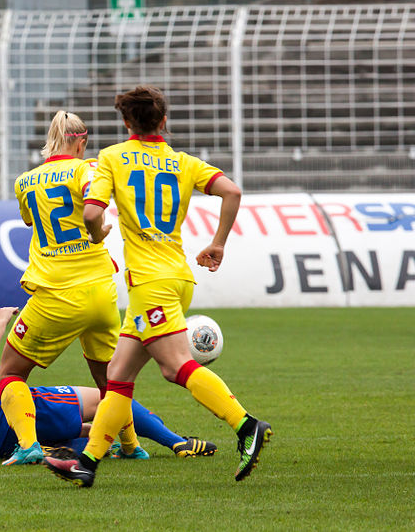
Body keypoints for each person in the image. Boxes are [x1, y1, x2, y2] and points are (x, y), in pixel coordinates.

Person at [45, 85, 272, 487]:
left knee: (175, 367)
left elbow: (93, 211)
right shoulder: (182, 162)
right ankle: (88, 462)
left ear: (126, 122)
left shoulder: (113, 158)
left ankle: (246, 425)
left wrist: (97, 233)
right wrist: (218, 242)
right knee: (118, 376)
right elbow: (232, 191)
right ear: (163, 121)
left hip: (150, 283)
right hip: (174, 276)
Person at [0, 286, 217, 462]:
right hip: (18, 413)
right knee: (110, 397)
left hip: (0, 443)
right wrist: (2, 320)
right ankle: (178, 443)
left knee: (92, 430)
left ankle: (103, 445)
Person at [0, 110, 144, 466]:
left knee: (11, 372)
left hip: (57, 292)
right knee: (111, 378)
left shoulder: (25, 181)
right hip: (100, 291)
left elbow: (33, 220)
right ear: (82, 140)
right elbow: (95, 210)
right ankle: (130, 445)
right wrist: (97, 235)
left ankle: (29, 445)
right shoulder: (87, 169)